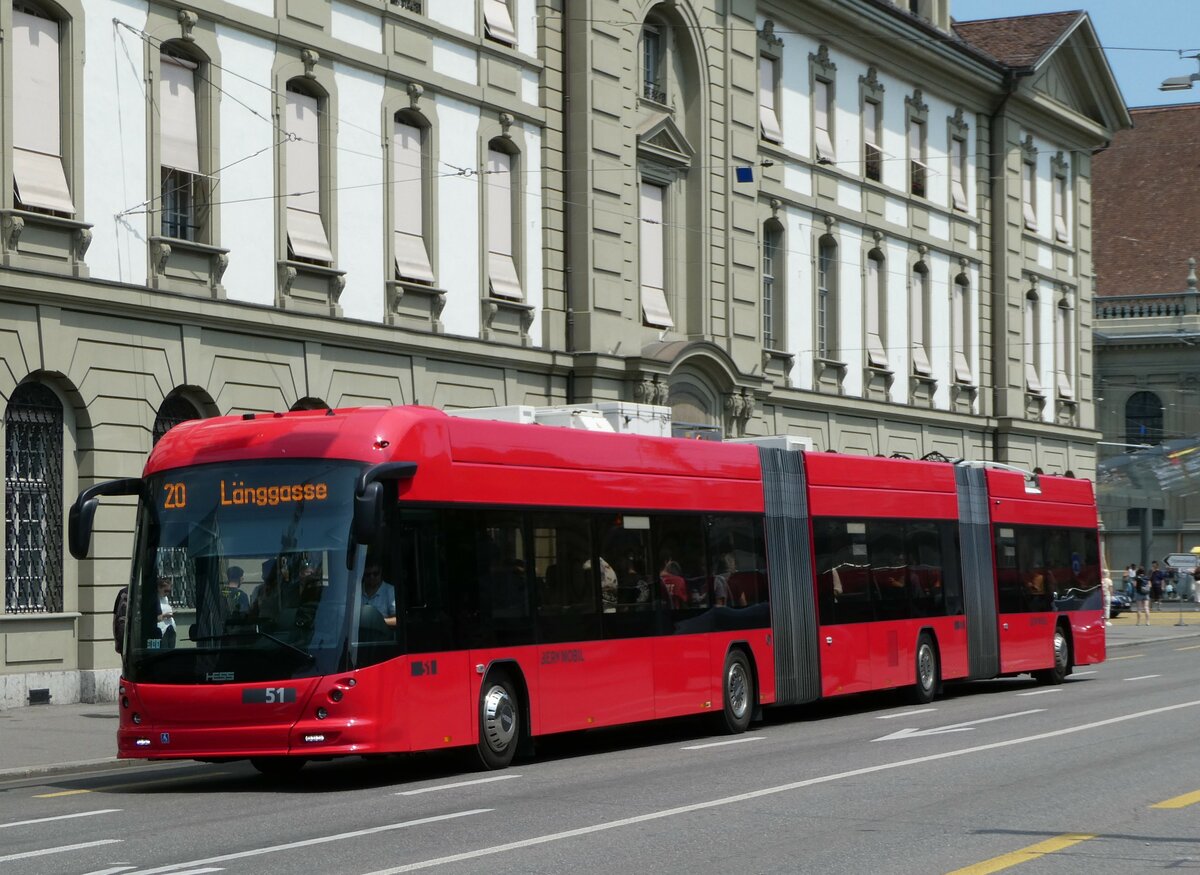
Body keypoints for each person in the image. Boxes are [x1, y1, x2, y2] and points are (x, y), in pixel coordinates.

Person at [361, 558, 396, 627]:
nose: (372, 577)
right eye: (368, 574)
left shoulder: (390, 590)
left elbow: (396, 620)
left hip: (381, 635)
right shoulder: (356, 590)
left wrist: (378, 621)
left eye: (375, 573)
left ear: (381, 571)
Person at [157, 575, 177, 648]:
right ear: (159, 588)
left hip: (170, 628)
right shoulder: (155, 600)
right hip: (161, 630)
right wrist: (165, 616)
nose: (167, 593)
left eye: (169, 591)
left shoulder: (165, 599)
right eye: (165, 591)